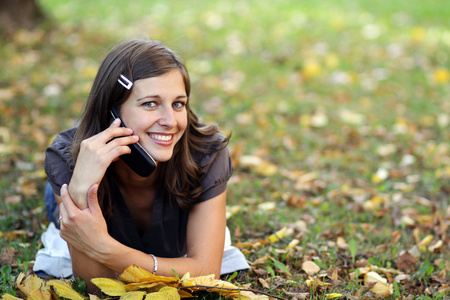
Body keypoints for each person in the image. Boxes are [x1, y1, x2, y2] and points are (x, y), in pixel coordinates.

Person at [33, 38, 249, 293]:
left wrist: (106, 249)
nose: (170, 121)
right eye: (150, 103)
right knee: (55, 198)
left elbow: (206, 272)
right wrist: (80, 189)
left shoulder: (206, 152)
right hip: (71, 179)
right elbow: (95, 286)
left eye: (178, 103)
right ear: (111, 113)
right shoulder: (68, 159)